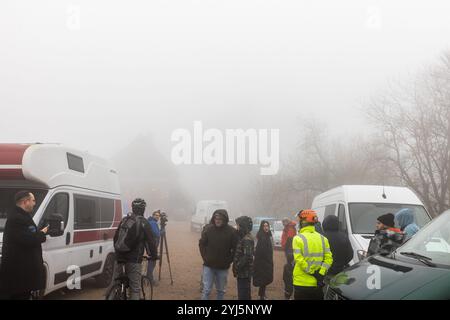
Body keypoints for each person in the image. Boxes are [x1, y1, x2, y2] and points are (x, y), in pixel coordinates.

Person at [0, 191, 49, 300]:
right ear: (25, 202)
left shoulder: (22, 216)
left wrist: (37, 234)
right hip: (19, 275)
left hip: (22, 275)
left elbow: (27, 236)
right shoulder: (17, 219)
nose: (34, 203)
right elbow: (29, 239)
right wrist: (42, 233)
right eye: (33, 200)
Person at [113, 198, 158, 300]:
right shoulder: (144, 223)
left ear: (132, 208)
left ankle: (114, 292)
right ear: (143, 209)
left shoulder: (125, 220)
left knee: (117, 283)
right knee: (135, 289)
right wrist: (154, 255)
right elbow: (151, 242)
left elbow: (115, 238)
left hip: (119, 257)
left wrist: (118, 252)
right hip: (134, 260)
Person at [292, 209, 333, 300]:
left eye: (300, 220)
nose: (299, 222)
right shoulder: (323, 239)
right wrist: (321, 273)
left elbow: (299, 259)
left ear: (304, 221)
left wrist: (312, 272)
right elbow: (329, 259)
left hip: (301, 283)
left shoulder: (297, 238)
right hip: (317, 284)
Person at [199, 209, 238, 300]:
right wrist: (205, 257)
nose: (218, 220)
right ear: (213, 218)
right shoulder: (208, 230)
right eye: (216, 218)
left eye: (220, 218)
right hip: (209, 266)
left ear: (225, 219)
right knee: (206, 290)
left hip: (223, 267)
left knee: (221, 291)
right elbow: (201, 244)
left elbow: (235, 248)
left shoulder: (232, 232)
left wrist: (229, 260)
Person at [232, 216, 254, 300]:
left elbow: (247, 256)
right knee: (245, 294)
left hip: (244, 273)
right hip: (243, 273)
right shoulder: (244, 237)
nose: (237, 228)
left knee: (243, 295)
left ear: (243, 226)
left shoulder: (247, 239)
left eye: (238, 225)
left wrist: (237, 266)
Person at [253, 220, 274, 300]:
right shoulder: (261, 236)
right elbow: (257, 250)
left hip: (267, 261)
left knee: (264, 279)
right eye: (264, 226)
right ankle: (261, 296)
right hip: (262, 262)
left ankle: (262, 294)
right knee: (263, 279)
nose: (266, 227)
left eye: (267, 226)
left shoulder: (268, 235)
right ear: (262, 227)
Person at [281, 218, 297, 299]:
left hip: (290, 252)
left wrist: (289, 252)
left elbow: (290, 240)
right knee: (289, 269)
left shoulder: (290, 228)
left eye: (284, 222)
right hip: (289, 251)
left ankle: (289, 292)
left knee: (289, 271)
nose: (283, 223)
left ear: (287, 222)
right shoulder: (289, 227)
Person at [146, 210, 161, 285]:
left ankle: (148, 278)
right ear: (153, 215)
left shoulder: (151, 221)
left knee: (152, 261)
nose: (157, 217)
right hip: (152, 246)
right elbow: (157, 234)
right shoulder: (152, 222)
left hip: (151, 245)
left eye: (158, 216)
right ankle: (149, 279)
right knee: (152, 262)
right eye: (156, 215)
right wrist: (162, 231)